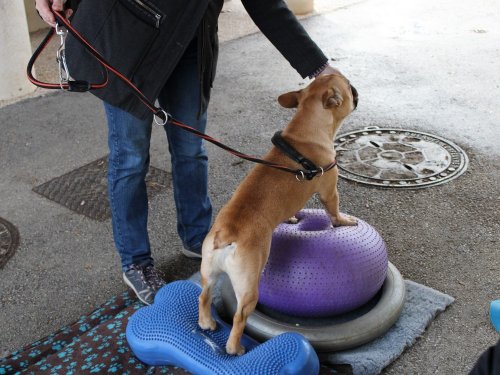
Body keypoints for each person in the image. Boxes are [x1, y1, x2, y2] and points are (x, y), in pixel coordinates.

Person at [35, 0, 349, 305]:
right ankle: (136, 262)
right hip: (128, 36)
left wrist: (317, 67)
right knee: (130, 159)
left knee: (190, 149)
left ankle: (197, 236)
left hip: (190, 39)